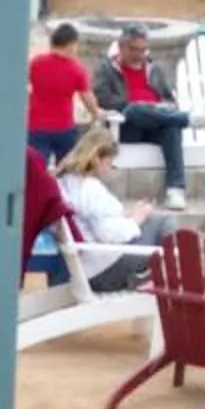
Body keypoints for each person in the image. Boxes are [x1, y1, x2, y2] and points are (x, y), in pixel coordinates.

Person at [54, 123, 170, 291]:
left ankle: (151, 276)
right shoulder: (89, 188)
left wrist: (128, 218)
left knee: (153, 223)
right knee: (163, 224)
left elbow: (96, 224)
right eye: (109, 162)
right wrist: (136, 219)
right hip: (103, 270)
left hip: (86, 264)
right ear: (96, 159)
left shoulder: (66, 181)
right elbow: (109, 234)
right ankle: (164, 278)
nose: (109, 169)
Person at [91, 25, 190, 205]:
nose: (139, 54)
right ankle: (186, 119)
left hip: (154, 125)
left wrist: (157, 107)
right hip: (125, 127)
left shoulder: (155, 69)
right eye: (134, 49)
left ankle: (175, 190)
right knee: (134, 109)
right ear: (121, 47)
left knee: (172, 127)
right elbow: (102, 99)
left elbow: (169, 100)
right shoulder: (107, 69)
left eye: (143, 49)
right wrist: (135, 105)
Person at [26, 23, 97, 163]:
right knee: (66, 170)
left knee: (37, 169)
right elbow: (87, 99)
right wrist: (96, 114)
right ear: (71, 44)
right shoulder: (77, 70)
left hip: (36, 126)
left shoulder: (36, 63)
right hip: (63, 127)